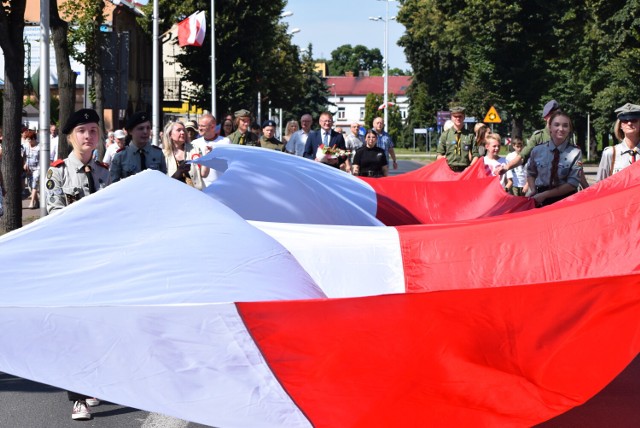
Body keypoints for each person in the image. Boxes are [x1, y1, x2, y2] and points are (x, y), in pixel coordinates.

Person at [45, 108, 111, 216]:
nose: (88, 136)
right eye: (81, 131)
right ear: (70, 137)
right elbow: (56, 214)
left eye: (93, 131)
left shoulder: (104, 172)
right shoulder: (58, 172)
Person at [526, 110, 583, 207]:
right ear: (550, 128)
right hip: (540, 199)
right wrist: (533, 189)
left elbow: (573, 183)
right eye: (556, 125)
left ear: (569, 129)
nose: (561, 129)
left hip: (565, 201)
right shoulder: (537, 150)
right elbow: (530, 173)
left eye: (565, 125)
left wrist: (545, 195)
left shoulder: (575, 152)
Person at [498, 100, 560, 175]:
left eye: (558, 114)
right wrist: (506, 167)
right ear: (545, 117)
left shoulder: (565, 135)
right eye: (552, 114)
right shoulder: (539, 137)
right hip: (542, 182)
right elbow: (522, 156)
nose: (555, 117)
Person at [109, 112, 167, 183]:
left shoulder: (158, 154)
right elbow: (113, 184)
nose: (145, 132)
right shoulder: (121, 156)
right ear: (130, 131)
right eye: (141, 128)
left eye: (148, 128)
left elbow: (163, 181)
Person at [596, 103, 640, 181]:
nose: (629, 123)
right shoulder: (610, 153)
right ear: (620, 125)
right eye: (625, 120)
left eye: (634, 120)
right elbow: (600, 185)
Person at [162, 121, 210, 190]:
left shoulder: (195, 149)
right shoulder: (164, 154)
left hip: (195, 194)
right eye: (178, 130)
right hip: (174, 194)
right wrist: (179, 171)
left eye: (183, 130)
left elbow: (204, 174)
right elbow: (164, 182)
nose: (183, 132)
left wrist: (207, 156)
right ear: (170, 135)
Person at [436, 106, 478, 172]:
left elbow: (476, 155)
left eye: (460, 116)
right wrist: (442, 158)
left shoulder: (470, 135)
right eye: (455, 116)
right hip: (448, 170)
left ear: (464, 117)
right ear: (451, 117)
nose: (458, 118)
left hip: (465, 170)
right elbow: (439, 155)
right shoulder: (445, 135)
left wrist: (470, 167)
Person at [22, 130, 40, 209]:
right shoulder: (26, 146)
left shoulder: (39, 147)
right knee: (30, 186)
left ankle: (32, 202)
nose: (28, 141)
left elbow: (41, 159)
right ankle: (37, 202)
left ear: (34, 139)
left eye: (29, 139)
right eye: (27, 139)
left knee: (34, 184)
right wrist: (25, 164)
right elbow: (24, 156)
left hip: (37, 168)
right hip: (29, 169)